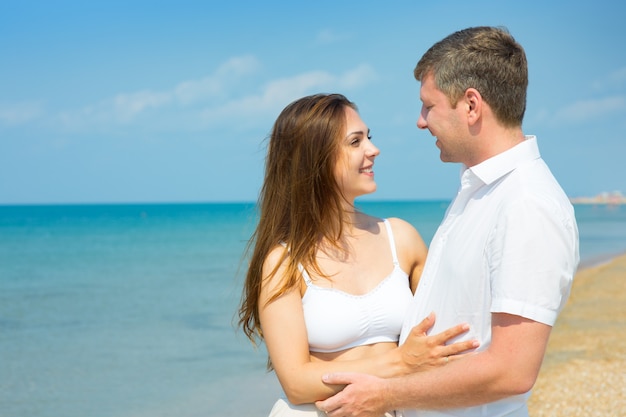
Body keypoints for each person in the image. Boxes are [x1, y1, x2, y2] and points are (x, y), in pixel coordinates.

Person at [315, 26, 580, 417]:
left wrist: (386, 395)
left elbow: (512, 371)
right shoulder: (481, 191)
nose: (420, 122)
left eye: (428, 106)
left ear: (471, 105)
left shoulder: (526, 204)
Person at [238, 93, 478, 417]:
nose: (373, 150)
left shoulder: (401, 238)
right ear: (315, 159)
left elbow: (442, 335)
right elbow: (296, 382)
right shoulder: (283, 263)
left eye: (369, 137)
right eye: (355, 142)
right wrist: (402, 361)